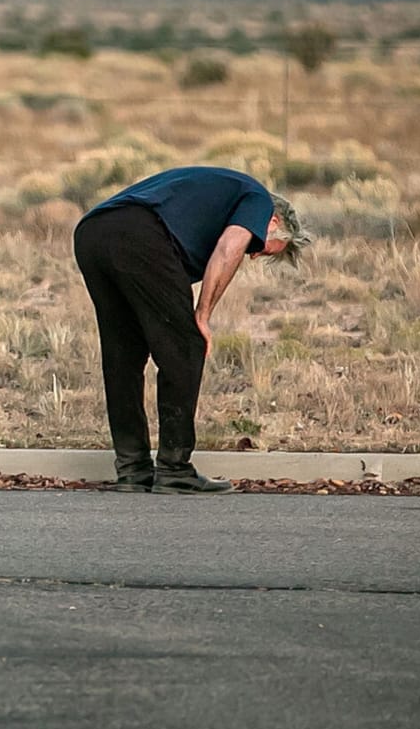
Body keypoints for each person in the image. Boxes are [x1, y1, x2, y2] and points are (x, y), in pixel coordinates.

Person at [72, 166, 311, 494]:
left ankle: (133, 471)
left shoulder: (217, 199)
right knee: (186, 347)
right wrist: (202, 315)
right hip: (137, 233)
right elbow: (229, 248)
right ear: (274, 222)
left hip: (92, 233)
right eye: (262, 247)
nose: (253, 255)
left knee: (123, 357)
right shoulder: (257, 200)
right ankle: (174, 469)